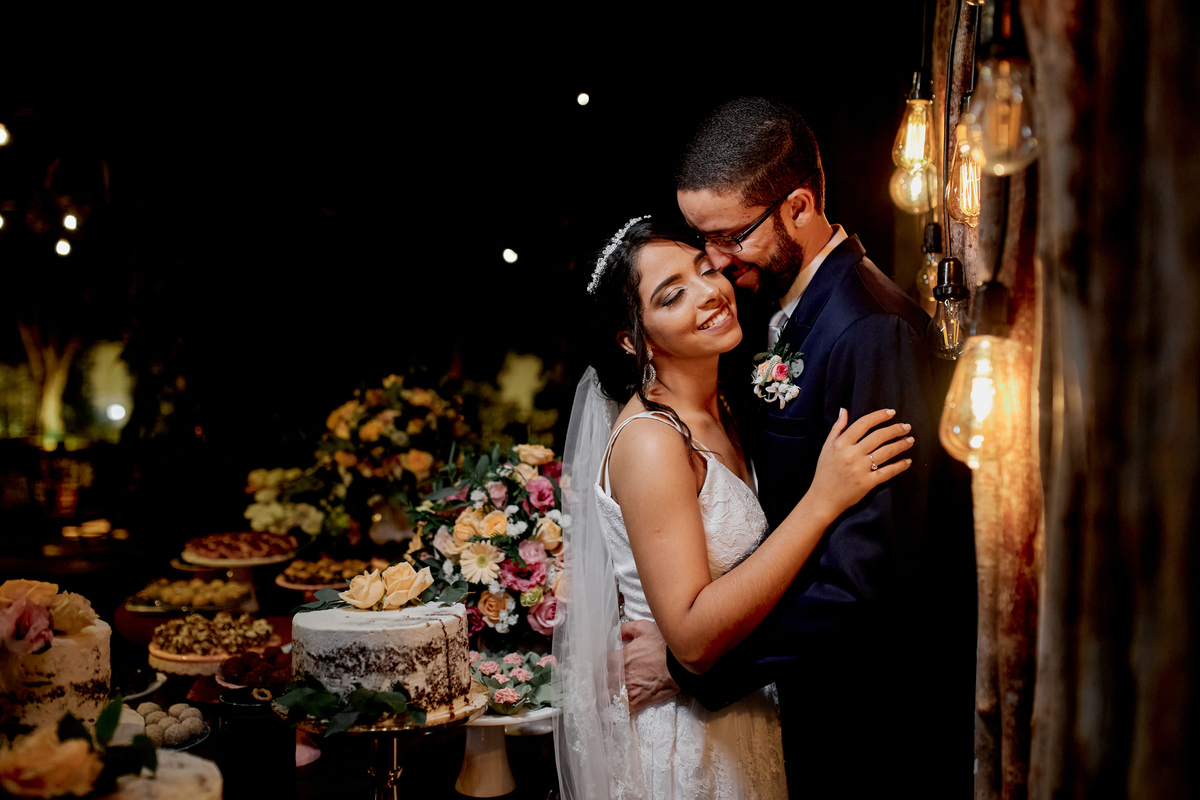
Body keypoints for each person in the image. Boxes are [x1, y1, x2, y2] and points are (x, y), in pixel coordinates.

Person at [620, 97, 977, 798]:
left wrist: (700, 665)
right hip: (803, 701)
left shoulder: (869, 331)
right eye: (701, 245)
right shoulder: (782, 310)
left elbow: (863, 577)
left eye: (728, 238)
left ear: (799, 206)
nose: (718, 265)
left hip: (868, 717)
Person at [551, 216, 916, 800]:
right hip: (692, 744)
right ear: (632, 338)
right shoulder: (652, 440)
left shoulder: (728, 402)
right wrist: (822, 502)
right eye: (673, 296)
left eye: (704, 270)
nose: (710, 294)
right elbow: (692, 636)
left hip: (749, 716)